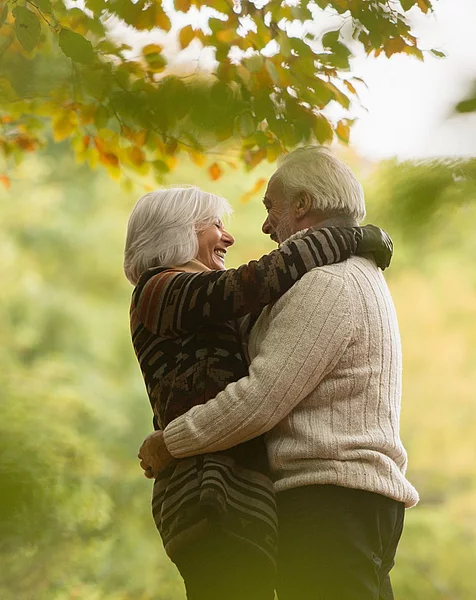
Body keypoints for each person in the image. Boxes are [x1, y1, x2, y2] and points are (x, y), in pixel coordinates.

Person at [138, 148, 420, 600]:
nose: (264, 227)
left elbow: (260, 398)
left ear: (303, 204)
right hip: (339, 500)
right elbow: (249, 301)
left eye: (271, 209)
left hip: (329, 501)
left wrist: (170, 441)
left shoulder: (328, 282)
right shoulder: (167, 290)